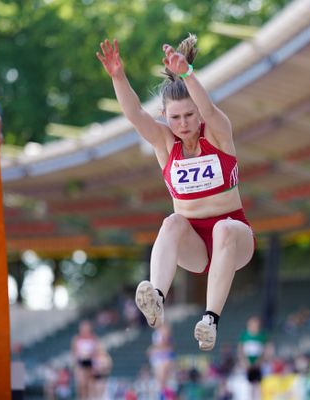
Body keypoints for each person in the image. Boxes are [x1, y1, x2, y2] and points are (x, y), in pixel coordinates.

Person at [97, 34, 255, 351]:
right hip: (193, 243)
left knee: (223, 228)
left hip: (234, 235)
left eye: (188, 115)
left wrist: (187, 74)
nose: (182, 124)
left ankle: (210, 320)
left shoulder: (219, 133)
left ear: (198, 114)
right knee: (171, 221)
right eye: (175, 117)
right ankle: (156, 296)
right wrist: (118, 77)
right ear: (165, 118)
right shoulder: (166, 144)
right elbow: (135, 116)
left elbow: (210, 110)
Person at [71, 320, 99, 400]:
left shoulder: (93, 337)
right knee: (81, 383)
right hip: (81, 361)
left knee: (90, 383)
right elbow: (74, 352)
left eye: (87, 327)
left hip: (90, 361)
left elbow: (96, 351)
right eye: (83, 327)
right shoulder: (77, 338)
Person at [148, 324, 176, 399]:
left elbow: (165, 344)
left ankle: (165, 396)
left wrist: (153, 349)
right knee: (159, 382)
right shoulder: (156, 332)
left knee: (164, 380)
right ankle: (162, 396)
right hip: (158, 357)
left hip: (165, 356)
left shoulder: (165, 330)